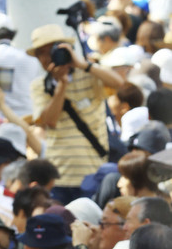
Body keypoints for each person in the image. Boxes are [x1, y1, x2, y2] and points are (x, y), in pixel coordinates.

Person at [27, 23, 123, 204]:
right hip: (59, 173)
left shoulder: (89, 74)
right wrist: (61, 86)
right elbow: (49, 121)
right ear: (38, 57)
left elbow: (119, 83)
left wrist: (83, 64)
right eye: (42, 52)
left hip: (92, 170)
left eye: (53, 50)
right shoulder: (40, 85)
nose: (48, 57)